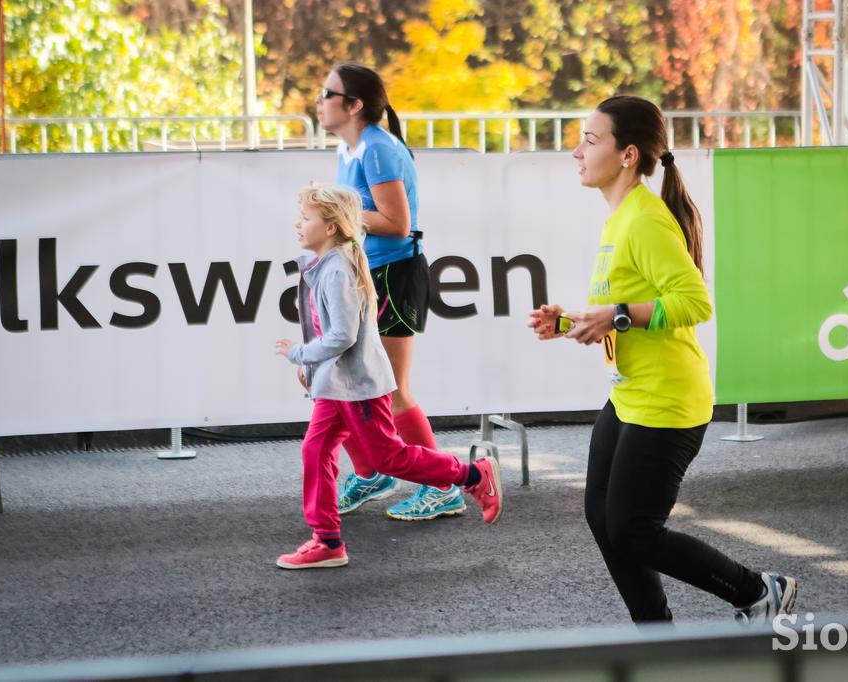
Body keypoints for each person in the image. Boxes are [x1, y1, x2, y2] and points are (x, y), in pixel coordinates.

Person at [528, 96, 797, 624]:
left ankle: (758, 590)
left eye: (589, 139)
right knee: (602, 518)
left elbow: (695, 302)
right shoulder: (621, 216)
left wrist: (618, 314)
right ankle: (655, 632)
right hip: (631, 391)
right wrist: (571, 322)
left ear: (628, 154)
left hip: (670, 398)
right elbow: (622, 310)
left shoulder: (645, 220)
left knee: (631, 527)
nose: (576, 151)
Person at [274, 183, 502, 569]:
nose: (298, 224)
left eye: (306, 218)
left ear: (331, 228)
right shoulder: (329, 263)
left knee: (390, 458)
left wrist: (300, 354)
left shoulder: (337, 271)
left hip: (359, 388)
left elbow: (342, 336)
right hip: (337, 386)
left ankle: (472, 474)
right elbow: (329, 331)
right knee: (315, 451)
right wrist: (311, 365)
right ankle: (327, 541)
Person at [314, 62, 463, 521]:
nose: (318, 100)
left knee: (392, 390)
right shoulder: (351, 148)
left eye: (327, 93)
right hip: (367, 275)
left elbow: (397, 223)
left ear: (354, 105)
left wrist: (335, 218)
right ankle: (373, 472)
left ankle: (446, 487)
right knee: (350, 386)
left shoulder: (377, 149)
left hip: (393, 276)